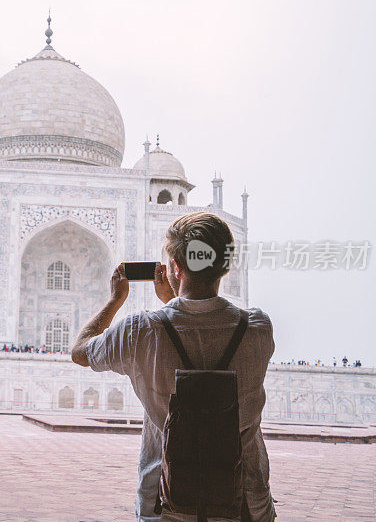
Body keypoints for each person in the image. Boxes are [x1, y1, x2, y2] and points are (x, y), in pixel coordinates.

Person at [71, 212, 276, 522]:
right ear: (225, 265)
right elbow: (200, 331)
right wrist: (172, 301)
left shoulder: (140, 331)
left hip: (167, 501)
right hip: (245, 502)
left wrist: (116, 299)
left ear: (175, 268)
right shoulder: (258, 328)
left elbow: (80, 351)